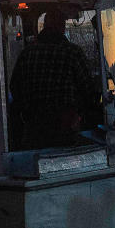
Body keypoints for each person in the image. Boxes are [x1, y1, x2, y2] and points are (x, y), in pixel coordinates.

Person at [9, 8, 95, 149]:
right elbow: (87, 87)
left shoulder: (27, 52)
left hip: (34, 124)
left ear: (44, 25)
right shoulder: (72, 52)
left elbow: (15, 86)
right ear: (62, 26)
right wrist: (81, 113)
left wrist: (26, 109)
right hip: (64, 126)